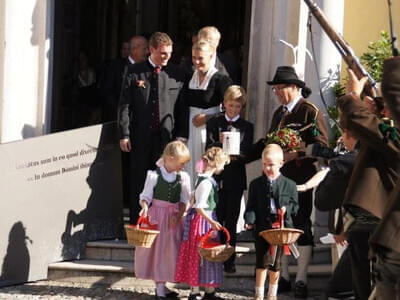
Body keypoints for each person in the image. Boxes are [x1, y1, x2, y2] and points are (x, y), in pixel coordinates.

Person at [248, 66, 329, 298]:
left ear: (293, 88)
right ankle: (282, 275)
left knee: (301, 224)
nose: (275, 92)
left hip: (300, 178)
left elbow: (322, 144)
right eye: (274, 89)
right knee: (280, 226)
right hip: (279, 179)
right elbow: (269, 142)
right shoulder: (278, 114)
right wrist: (242, 158)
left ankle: (301, 279)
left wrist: (297, 154)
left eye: (278, 88)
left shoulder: (310, 111)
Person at [335, 68, 400, 300]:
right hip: (368, 217)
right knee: (362, 282)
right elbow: (354, 124)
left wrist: (353, 96)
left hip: (379, 219)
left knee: (370, 285)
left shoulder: (393, 135)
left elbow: (364, 122)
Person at [118, 32, 187, 224]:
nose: (167, 57)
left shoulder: (177, 73)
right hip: (140, 136)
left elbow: (182, 108)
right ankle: (136, 224)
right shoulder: (134, 71)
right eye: (163, 53)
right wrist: (124, 134)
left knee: (164, 180)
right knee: (139, 179)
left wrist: (182, 135)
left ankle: (160, 224)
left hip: (166, 140)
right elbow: (125, 105)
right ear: (152, 49)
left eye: (169, 53)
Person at [205, 85, 254, 273]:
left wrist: (236, 155)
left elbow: (248, 152)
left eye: (237, 107)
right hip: (217, 178)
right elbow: (208, 148)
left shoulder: (246, 127)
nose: (233, 110)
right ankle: (214, 254)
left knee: (232, 220)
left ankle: (229, 259)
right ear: (224, 103)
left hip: (235, 177)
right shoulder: (214, 123)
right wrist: (219, 144)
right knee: (217, 217)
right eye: (231, 105)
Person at [134, 141, 191, 300]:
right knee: (156, 252)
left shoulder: (183, 177)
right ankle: (160, 289)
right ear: (171, 159)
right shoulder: (154, 175)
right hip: (156, 218)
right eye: (181, 163)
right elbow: (145, 196)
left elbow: (184, 200)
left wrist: (179, 215)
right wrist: (145, 206)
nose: (183, 166)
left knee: (169, 253)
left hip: (172, 219)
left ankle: (162, 286)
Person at [244, 144, 299, 300]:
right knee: (262, 261)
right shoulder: (256, 184)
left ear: (281, 163)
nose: (267, 168)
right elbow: (251, 206)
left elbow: (296, 206)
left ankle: (272, 294)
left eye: (271, 165)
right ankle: (259, 294)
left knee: (276, 263)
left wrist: (286, 208)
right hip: (262, 228)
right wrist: (249, 221)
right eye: (264, 164)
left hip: (281, 228)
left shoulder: (290, 184)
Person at [175, 147, 230, 300]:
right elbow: (199, 206)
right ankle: (195, 292)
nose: (223, 167)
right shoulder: (206, 183)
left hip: (201, 220)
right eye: (223, 164)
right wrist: (211, 221)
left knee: (206, 256)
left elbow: (193, 198)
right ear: (216, 163)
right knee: (200, 255)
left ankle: (208, 290)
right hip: (203, 222)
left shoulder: (202, 178)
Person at [178, 40, 232, 185]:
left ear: (210, 56)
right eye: (194, 58)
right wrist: (181, 134)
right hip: (190, 130)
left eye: (200, 58)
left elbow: (232, 108)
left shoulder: (221, 79)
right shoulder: (189, 76)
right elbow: (182, 105)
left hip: (210, 131)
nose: (196, 61)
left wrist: (208, 118)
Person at [103, 35, 148, 122]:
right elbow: (106, 92)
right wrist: (122, 111)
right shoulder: (115, 66)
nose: (147, 52)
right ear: (134, 49)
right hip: (117, 119)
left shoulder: (147, 68)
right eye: (144, 49)